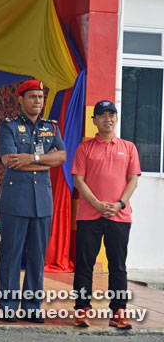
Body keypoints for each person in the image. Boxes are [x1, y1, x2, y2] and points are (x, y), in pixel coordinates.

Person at [0, 79, 66, 322]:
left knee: (38, 257)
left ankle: (32, 307)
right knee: (11, 255)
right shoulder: (9, 126)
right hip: (16, 199)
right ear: (21, 99)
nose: (38, 101)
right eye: (33, 96)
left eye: (40, 97)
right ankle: (7, 305)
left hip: (43, 201)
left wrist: (31, 157)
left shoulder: (51, 127)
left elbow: (62, 156)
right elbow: (10, 161)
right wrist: (44, 161)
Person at [71, 100, 141, 330]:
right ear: (95, 120)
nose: (107, 119)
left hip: (119, 217)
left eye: (111, 114)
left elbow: (133, 179)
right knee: (84, 264)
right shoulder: (85, 148)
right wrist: (98, 204)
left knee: (118, 266)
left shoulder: (129, 147)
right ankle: (82, 309)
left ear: (116, 118)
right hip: (89, 216)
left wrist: (119, 204)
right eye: (102, 115)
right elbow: (79, 180)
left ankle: (118, 312)